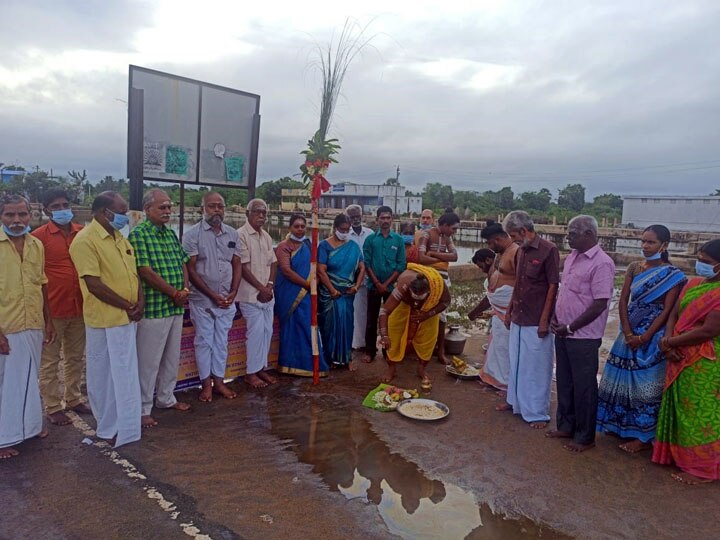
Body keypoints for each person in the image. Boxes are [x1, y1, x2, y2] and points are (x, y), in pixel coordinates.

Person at [596, 225, 685, 453]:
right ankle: (619, 426)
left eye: (651, 242)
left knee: (645, 386)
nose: (645, 246)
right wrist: (628, 332)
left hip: (652, 335)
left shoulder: (673, 275)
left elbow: (667, 310)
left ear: (664, 245)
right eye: (643, 242)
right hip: (628, 332)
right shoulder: (635, 268)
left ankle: (642, 436)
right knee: (620, 379)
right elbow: (624, 298)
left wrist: (644, 337)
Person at [69, 192, 143, 447]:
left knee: (124, 374)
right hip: (106, 319)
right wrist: (127, 305)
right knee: (104, 376)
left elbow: (133, 275)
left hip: (127, 317)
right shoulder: (85, 240)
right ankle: (107, 427)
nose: (125, 217)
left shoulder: (120, 237)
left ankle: (128, 425)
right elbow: (93, 284)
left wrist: (139, 302)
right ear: (104, 212)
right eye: (122, 212)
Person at [652, 239, 720, 484]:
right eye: (699, 258)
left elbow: (708, 330)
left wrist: (671, 343)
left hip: (704, 362)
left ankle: (703, 469)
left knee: (701, 413)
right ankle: (679, 457)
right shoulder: (694, 283)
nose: (699, 264)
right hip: (678, 354)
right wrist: (668, 339)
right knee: (679, 408)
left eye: (705, 261)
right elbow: (674, 313)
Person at [548, 215, 615, 452]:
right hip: (563, 331)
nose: (568, 237)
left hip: (583, 336)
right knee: (565, 381)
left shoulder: (601, 263)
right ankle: (566, 425)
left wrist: (571, 326)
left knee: (584, 386)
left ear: (589, 234)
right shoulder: (572, 259)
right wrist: (557, 319)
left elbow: (599, 303)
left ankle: (585, 436)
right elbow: (566, 293)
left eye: (573, 233)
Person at [128, 189, 192, 428]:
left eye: (168, 207)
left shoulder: (171, 234)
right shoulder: (139, 235)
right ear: (147, 209)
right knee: (148, 361)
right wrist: (173, 293)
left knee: (171, 357)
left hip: (175, 308)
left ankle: (166, 397)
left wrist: (184, 290)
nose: (167, 211)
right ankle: (143, 407)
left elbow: (183, 262)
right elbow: (144, 271)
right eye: (161, 207)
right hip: (155, 308)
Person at [0, 194, 56, 459]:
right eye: (10, 215)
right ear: (1, 216)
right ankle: (4, 438)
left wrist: (48, 319)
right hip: (6, 326)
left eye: (22, 214)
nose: (16, 220)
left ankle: (30, 427)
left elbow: (41, 283)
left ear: (31, 215)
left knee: (28, 378)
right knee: (6, 383)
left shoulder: (36, 245)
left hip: (32, 322)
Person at [31, 188, 91, 426]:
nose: (62, 209)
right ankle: (53, 406)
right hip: (52, 310)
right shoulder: (38, 237)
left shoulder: (82, 233)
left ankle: (74, 398)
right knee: (50, 360)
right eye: (55, 206)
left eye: (65, 205)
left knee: (76, 358)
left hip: (80, 307)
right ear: (46, 211)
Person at [498, 210, 559, 429]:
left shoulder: (548, 250)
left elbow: (553, 285)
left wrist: (545, 320)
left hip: (536, 318)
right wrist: (509, 310)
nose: (513, 240)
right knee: (516, 361)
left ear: (524, 231)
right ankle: (514, 402)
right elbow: (519, 283)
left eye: (514, 236)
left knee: (536, 367)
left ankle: (536, 413)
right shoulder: (522, 251)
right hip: (519, 316)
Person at [183, 192, 242, 401]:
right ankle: (205, 385)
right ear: (203, 209)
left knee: (221, 342)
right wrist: (213, 295)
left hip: (227, 300)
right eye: (212, 206)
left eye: (220, 206)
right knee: (204, 341)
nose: (217, 210)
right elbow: (190, 269)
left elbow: (236, 263)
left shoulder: (233, 234)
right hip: (203, 301)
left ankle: (219, 382)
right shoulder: (192, 235)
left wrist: (234, 292)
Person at [378, 264, 450, 384]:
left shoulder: (437, 285)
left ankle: (421, 369)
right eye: (414, 297)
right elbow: (384, 311)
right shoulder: (403, 286)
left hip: (428, 309)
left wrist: (427, 315)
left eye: (420, 298)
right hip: (404, 304)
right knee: (393, 333)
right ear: (409, 290)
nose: (416, 302)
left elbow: (446, 301)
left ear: (429, 292)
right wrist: (384, 336)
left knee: (428, 338)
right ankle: (391, 368)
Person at [275, 214, 327, 377]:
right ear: (290, 227)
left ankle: (310, 364)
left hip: (308, 295)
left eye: (302, 226)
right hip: (290, 293)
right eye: (296, 226)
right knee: (292, 328)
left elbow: (316, 267)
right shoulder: (284, 246)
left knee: (308, 326)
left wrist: (316, 282)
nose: (299, 229)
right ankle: (289, 364)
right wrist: (308, 285)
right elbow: (286, 271)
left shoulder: (308, 244)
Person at [237, 198, 278, 388]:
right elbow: (243, 268)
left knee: (267, 332)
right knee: (255, 333)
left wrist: (269, 285)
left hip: (267, 295)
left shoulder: (267, 236)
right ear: (248, 214)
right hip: (250, 295)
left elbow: (274, 263)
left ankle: (261, 368)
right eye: (257, 212)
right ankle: (250, 373)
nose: (261, 215)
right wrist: (261, 288)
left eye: (264, 212)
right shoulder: (241, 235)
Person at [473, 221, 520, 391]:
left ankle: (507, 385)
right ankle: (495, 378)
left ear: (497, 239)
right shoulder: (500, 253)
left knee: (505, 349)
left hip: (508, 310)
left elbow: (521, 283)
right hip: (499, 310)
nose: (489, 246)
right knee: (498, 346)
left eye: (489, 242)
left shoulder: (516, 252)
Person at [318, 214, 365, 370]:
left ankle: (346, 358)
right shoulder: (324, 246)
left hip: (347, 294)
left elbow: (362, 267)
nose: (344, 232)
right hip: (329, 294)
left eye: (347, 230)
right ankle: (329, 358)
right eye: (341, 229)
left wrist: (357, 286)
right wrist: (332, 290)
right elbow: (321, 270)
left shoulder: (353, 246)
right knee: (329, 327)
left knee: (346, 326)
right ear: (335, 228)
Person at [363, 206, 406, 363]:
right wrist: (376, 283)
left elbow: (401, 265)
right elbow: (367, 263)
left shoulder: (398, 240)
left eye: (388, 218)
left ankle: (388, 351)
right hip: (373, 286)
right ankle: (370, 351)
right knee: (371, 319)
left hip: (391, 288)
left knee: (391, 319)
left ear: (392, 219)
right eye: (382, 218)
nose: (385, 221)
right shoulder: (371, 240)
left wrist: (386, 284)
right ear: (377, 220)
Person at [417, 211, 460, 364]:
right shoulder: (427, 235)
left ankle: (440, 351)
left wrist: (433, 254)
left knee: (442, 315)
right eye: (453, 229)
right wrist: (442, 259)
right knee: (424, 313)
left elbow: (455, 257)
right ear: (445, 225)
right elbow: (421, 258)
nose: (454, 232)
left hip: (443, 279)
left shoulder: (448, 238)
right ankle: (421, 351)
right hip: (428, 278)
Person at [346, 204, 373, 351]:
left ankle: (362, 342)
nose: (355, 219)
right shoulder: (345, 234)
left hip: (367, 279)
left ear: (362, 216)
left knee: (363, 311)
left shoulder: (369, 233)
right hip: (348, 279)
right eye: (352, 217)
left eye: (358, 216)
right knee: (350, 310)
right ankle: (350, 342)